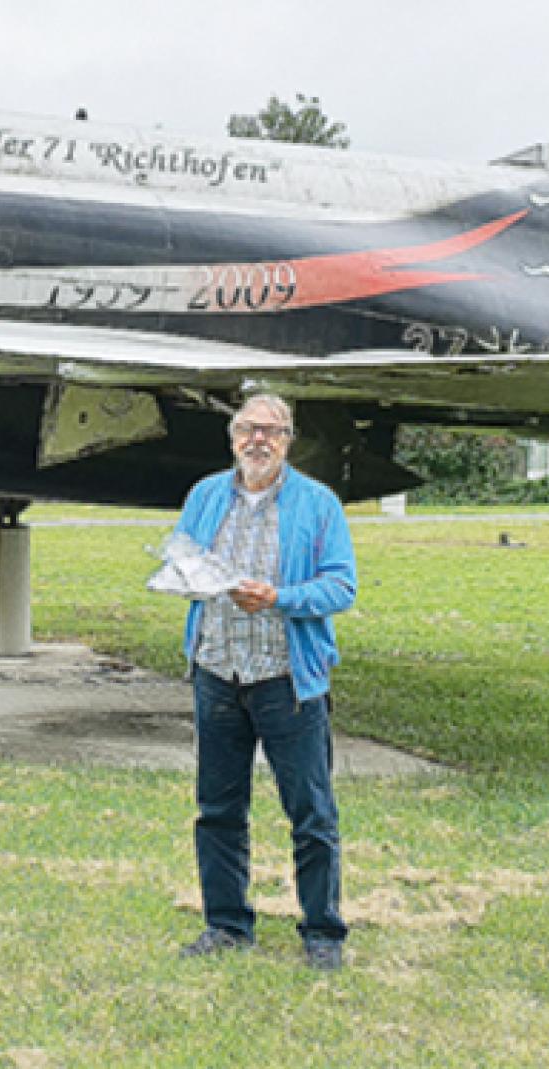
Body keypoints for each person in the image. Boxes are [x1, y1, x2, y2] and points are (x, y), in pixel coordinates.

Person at [173, 393, 357, 971]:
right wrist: (186, 578)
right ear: (233, 438)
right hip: (217, 670)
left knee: (311, 813)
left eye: (272, 431)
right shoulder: (205, 496)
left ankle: (322, 933)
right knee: (218, 809)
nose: (259, 440)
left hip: (286, 678)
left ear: (288, 442)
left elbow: (341, 586)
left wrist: (279, 598)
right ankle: (227, 924)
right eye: (249, 429)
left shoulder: (318, 504)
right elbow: (183, 558)